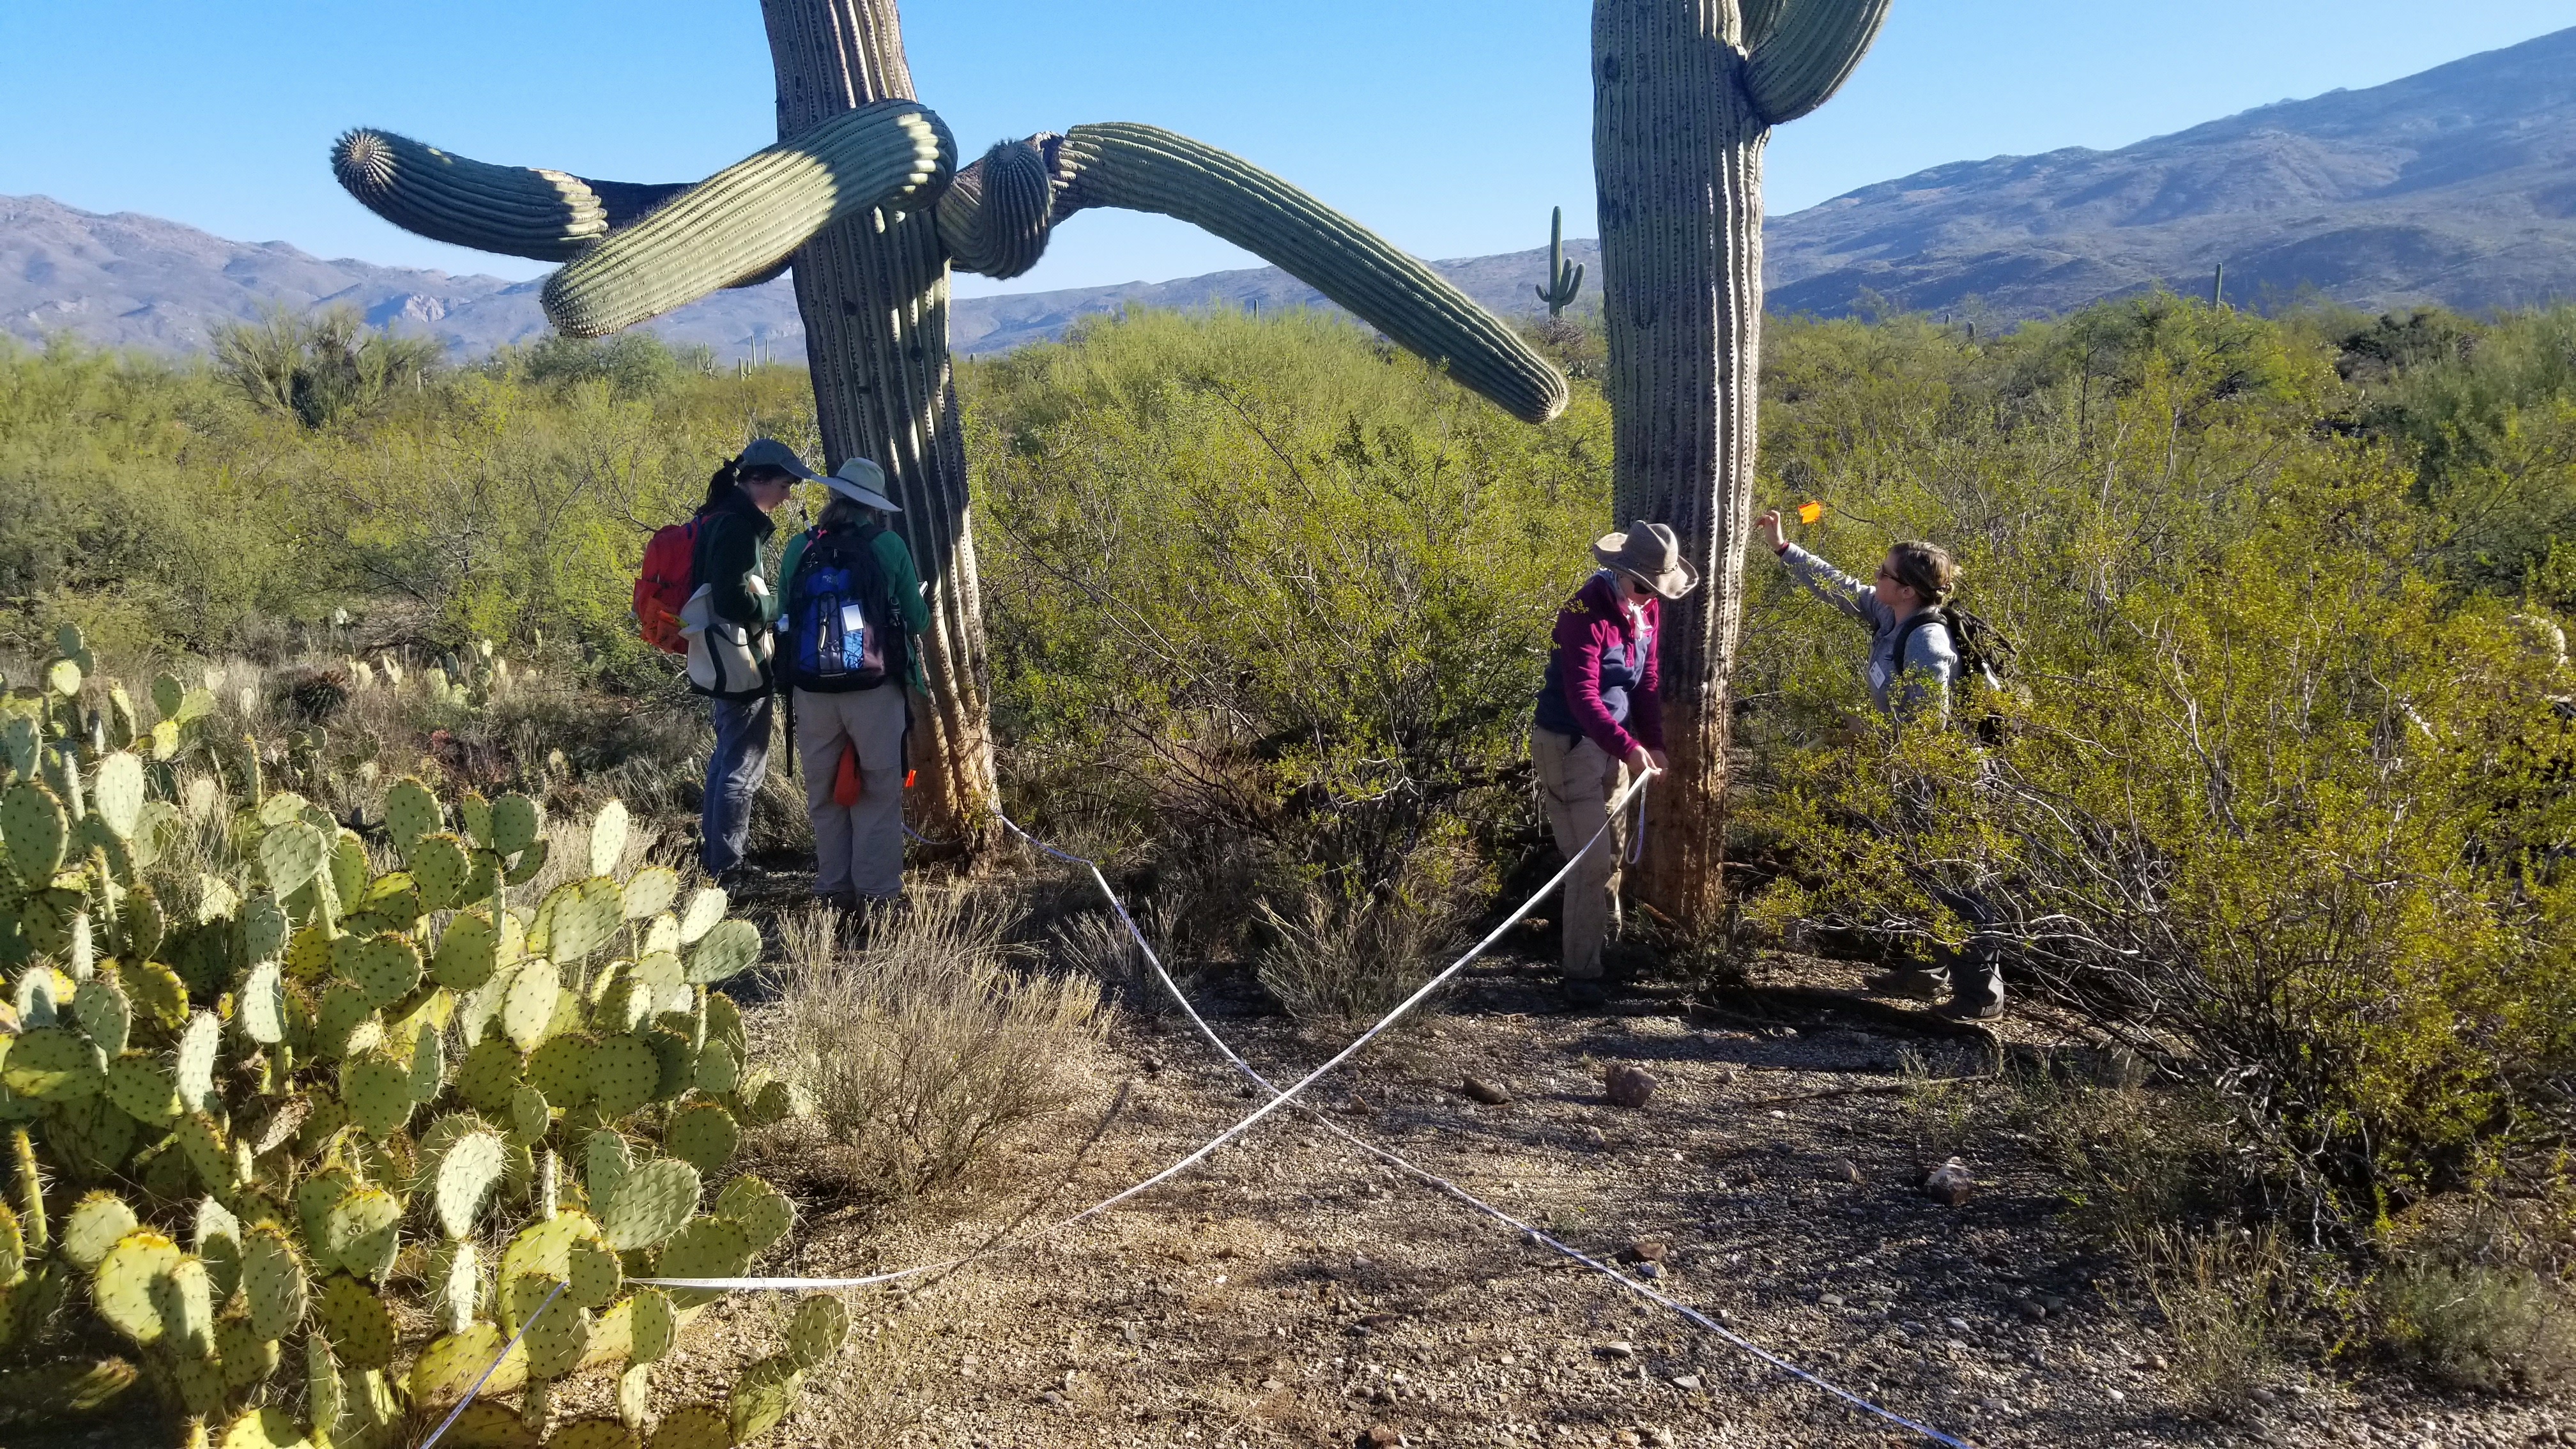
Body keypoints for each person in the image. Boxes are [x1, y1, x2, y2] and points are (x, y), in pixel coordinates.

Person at [1756, 507, 2002, 1019]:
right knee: (1917, 872)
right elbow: (1836, 584)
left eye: (1883, 573)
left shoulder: (1928, 643)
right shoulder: (1891, 614)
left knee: (1956, 881)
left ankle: (1981, 997)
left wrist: (1863, 734)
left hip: (1946, 779)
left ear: (1908, 590)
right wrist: (1784, 547)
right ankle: (1928, 973)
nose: (1874, 578)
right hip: (1910, 774)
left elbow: (1924, 731)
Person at [1530, 519, 1696, 1006]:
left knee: (1614, 854)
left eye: (1656, 591)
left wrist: (1654, 742)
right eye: (1642, 587)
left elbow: (1645, 682)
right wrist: (1628, 744)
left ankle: (1605, 953)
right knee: (1590, 862)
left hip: (1613, 743)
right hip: (1570, 745)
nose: (1649, 598)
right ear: (1620, 572)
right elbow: (1583, 696)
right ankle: (1581, 976)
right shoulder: (1583, 610)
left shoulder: (1644, 609)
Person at [776, 456, 930, 909]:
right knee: (878, 797)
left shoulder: (798, 548)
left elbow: (784, 615)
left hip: (811, 691)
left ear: (833, 496)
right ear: (873, 507)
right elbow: (916, 620)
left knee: (824, 796)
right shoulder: (888, 546)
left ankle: (832, 895)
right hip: (874, 689)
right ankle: (879, 899)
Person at [683, 438, 822, 887]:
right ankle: (728, 866)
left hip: (718, 653)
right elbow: (731, 598)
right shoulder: (740, 527)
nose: (787, 496)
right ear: (757, 479)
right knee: (744, 765)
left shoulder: (717, 516)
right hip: (738, 657)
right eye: (784, 485)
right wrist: (778, 609)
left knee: (726, 757)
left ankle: (716, 857)